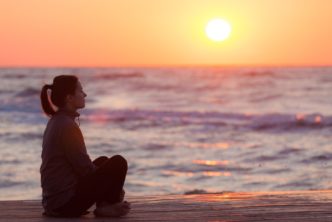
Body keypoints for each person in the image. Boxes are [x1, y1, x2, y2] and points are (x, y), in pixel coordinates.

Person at [40, 75, 130, 217]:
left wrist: (109, 182)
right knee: (118, 163)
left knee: (103, 161)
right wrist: (113, 187)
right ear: (69, 98)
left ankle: (105, 205)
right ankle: (107, 207)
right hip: (65, 205)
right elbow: (85, 169)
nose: (85, 94)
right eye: (81, 91)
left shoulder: (57, 120)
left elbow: (81, 168)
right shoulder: (67, 126)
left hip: (53, 203)